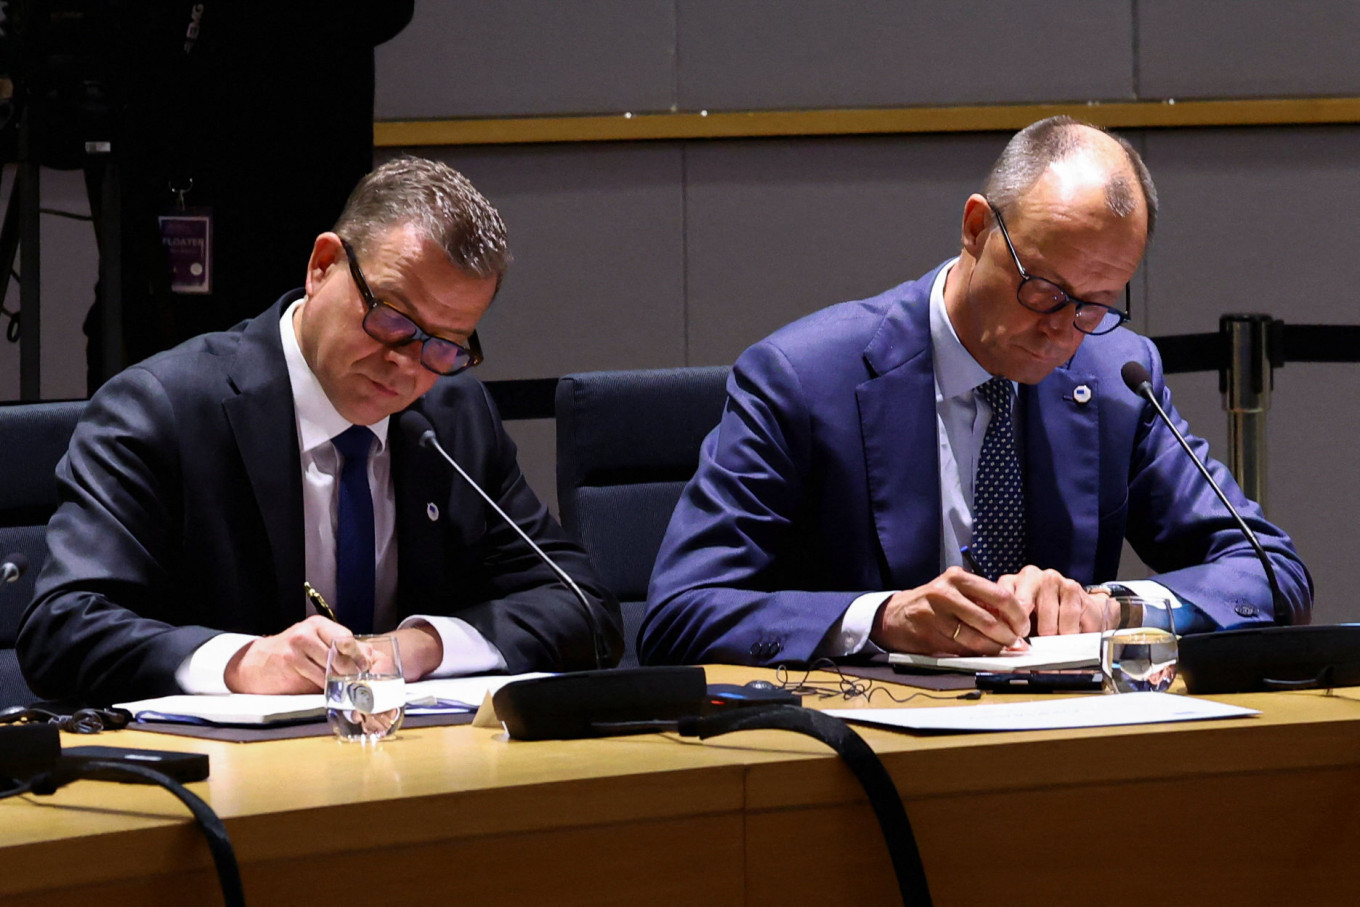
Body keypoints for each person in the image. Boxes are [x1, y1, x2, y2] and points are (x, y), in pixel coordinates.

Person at [640, 116, 1312, 667]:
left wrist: (1114, 608)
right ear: (976, 228)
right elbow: (681, 611)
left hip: (1062, 747)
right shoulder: (804, 378)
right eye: (1045, 291)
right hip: (866, 752)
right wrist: (883, 617)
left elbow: (1270, 572)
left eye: (1096, 304)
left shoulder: (1116, 376)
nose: (1063, 333)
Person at [19, 156, 622, 704]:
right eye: (391, 318)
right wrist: (242, 662)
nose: (407, 365)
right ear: (322, 266)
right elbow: (64, 626)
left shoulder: (453, 419)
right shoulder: (162, 410)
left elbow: (582, 607)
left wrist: (418, 648)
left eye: (444, 345)